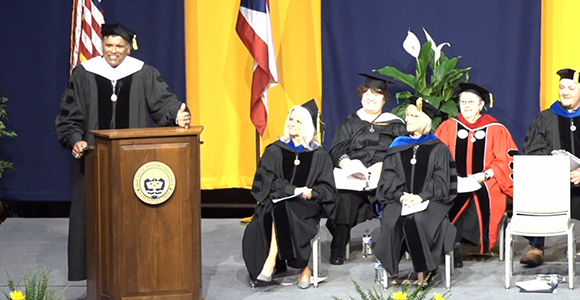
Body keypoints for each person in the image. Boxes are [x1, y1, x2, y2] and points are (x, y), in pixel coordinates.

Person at [55, 23, 191, 281]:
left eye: (119, 46)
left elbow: (165, 104)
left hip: (134, 162)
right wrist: (75, 140)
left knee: (134, 217)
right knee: (94, 217)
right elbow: (69, 116)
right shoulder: (84, 74)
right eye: (109, 45)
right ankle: (96, 275)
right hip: (94, 160)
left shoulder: (144, 73)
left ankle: (135, 273)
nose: (113, 51)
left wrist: (178, 115)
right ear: (102, 45)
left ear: (128, 48)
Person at [241, 101, 337, 289]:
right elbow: (267, 182)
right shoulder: (275, 150)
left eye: (298, 121)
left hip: (306, 206)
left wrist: (311, 193)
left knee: (285, 210)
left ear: (307, 126)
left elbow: (328, 190)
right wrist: (292, 191)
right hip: (277, 200)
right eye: (291, 119)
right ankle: (302, 268)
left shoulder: (319, 155)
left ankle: (272, 264)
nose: (292, 124)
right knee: (264, 220)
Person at [374, 98, 457, 286]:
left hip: (431, 201)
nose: (407, 119)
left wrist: (421, 196)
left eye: (413, 115)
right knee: (392, 219)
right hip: (401, 200)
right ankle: (393, 270)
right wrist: (401, 195)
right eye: (407, 116)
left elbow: (441, 181)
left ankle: (424, 270)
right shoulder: (397, 145)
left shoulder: (438, 148)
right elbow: (388, 177)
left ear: (425, 119)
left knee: (418, 220)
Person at [326, 73, 407, 265]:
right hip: (354, 178)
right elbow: (337, 149)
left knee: (392, 201)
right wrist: (348, 165)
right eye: (367, 93)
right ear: (361, 96)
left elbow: (403, 151)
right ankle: (338, 248)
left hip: (385, 177)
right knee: (343, 202)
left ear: (384, 99)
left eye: (376, 94)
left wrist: (385, 164)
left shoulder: (395, 123)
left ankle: (394, 248)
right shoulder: (350, 122)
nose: (370, 98)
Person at [435, 83, 518, 267]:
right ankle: (451, 245)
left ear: (481, 105)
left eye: (471, 102)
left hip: (486, 181)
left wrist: (485, 175)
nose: (466, 106)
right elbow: (437, 157)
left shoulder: (496, 128)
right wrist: (451, 176)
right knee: (449, 194)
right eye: (462, 101)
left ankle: (474, 244)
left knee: (482, 195)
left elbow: (505, 160)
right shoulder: (449, 127)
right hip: (455, 180)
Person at [519, 68, 580, 267]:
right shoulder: (545, 118)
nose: (565, 92)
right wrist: (555, 171)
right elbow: (533, 152)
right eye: (562, 87)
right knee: (535, 188)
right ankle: (536, 246)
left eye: (571, 88)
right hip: (552, 183)